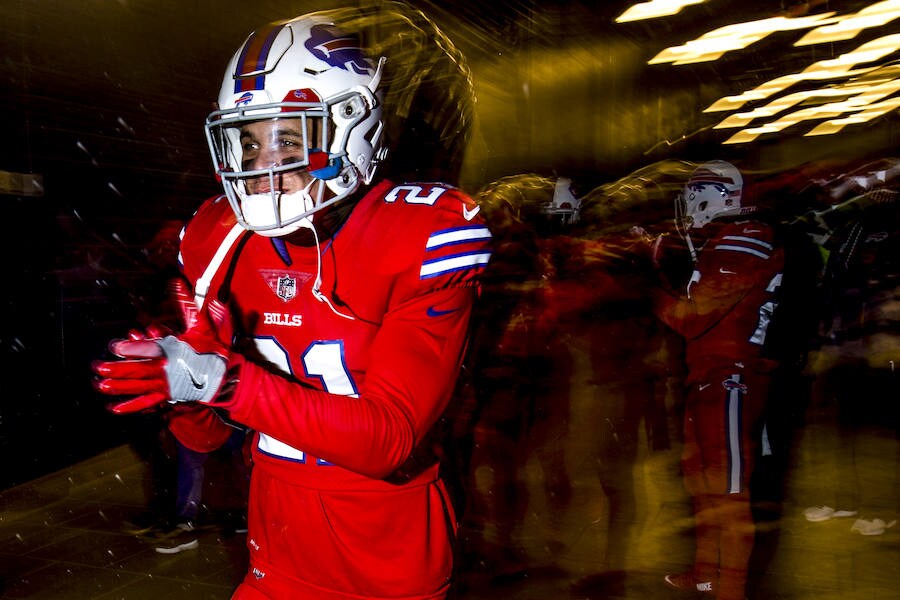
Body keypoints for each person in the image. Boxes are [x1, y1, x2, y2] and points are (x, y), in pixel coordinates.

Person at [92, 9, 490, 599]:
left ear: (352, 126)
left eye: (286, 138)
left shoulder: (423, 230)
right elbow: (203, 441)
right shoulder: (223, 240)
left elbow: (387, 441)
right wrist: (186, 379)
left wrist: (222, 381)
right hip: (275, 546)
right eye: (248, 143)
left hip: (386, 558)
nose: (260, 168)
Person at [651, 161, 784, 600]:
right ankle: (708, 571)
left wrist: (647, 282)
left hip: (732, 377)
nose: (688, 202)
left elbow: (692, 316)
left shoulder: (747, 237)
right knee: (702, 483)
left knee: (729, 492)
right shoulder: (725, 238)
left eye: (696, 191)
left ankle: (732, 589)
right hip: (709, 374)